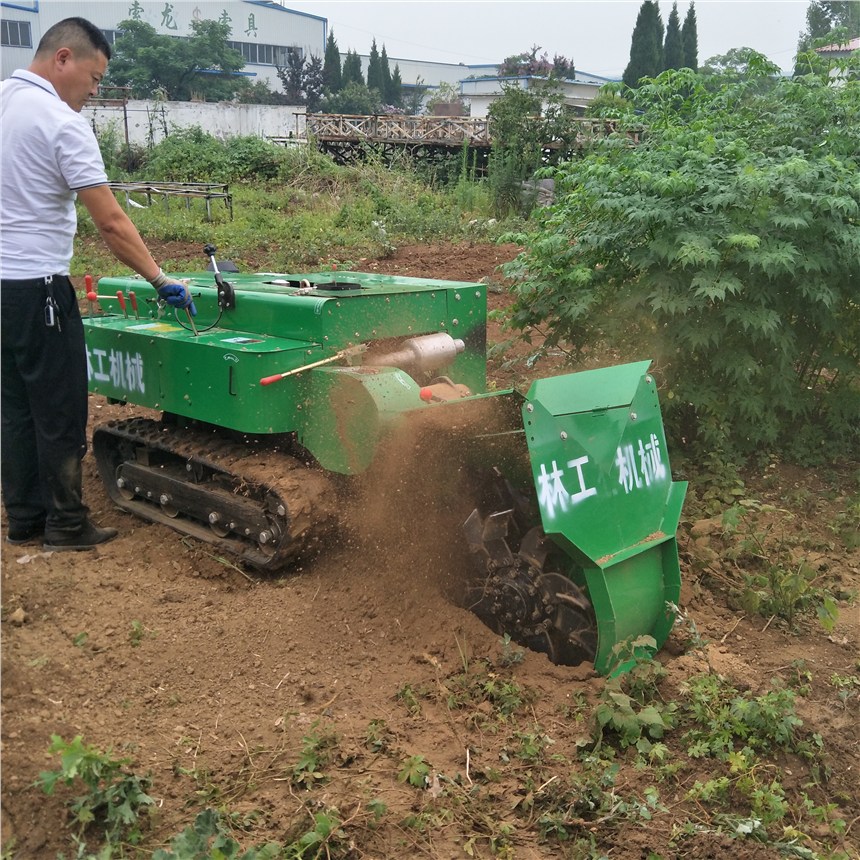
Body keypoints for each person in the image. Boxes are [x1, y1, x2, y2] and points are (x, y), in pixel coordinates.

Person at [0, 17, 195, 552]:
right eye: (95, 77)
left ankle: (24, 520)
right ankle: (66, 524)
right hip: (40, 288)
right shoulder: (62, 123)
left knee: (13, 408)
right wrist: (158, 278)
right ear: (64, 58)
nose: (94, 91)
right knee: (60, 409)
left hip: (1, 291)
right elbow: (110, 221)